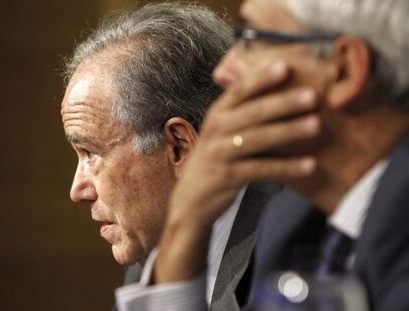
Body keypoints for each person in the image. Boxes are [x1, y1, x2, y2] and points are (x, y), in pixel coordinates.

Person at [116, 0, 409, 310]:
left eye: (251, 39)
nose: (223, 72)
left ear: (345, 69)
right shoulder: (292, 222)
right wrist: (187, 218)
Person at [60, 3, 284, 310]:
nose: (78, 190)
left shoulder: (290, 244)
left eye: (92, 153)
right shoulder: (148, 266)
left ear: (179, 146)